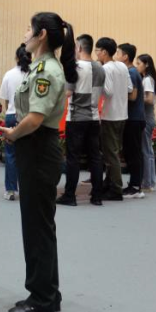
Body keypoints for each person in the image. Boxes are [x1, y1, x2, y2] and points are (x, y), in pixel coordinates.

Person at [0, 12, 75, 312]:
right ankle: (48, 293)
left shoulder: (46, 71)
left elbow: (34, 119)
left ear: (41, 34)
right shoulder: (42, 67)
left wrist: (12, 134)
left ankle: (42, 298)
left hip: (38, 148)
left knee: (37, 228)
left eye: (29, 28)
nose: (25, 33)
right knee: (40, 226)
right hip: (37, 148)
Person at [58, 34, 106, 207]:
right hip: (94, 118)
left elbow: (68, 93)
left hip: (76, 118)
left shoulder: (74, 67)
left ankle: (70, 196)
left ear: (78, 47)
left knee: (73, 158)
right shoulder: (100, 68)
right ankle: (97, 196)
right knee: (95, 157)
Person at [95, 37, 129, 202]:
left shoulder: (105, 69)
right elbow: (129, 88)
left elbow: (107, 92)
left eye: (97, 50)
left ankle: (116, 189)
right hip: (122, 114)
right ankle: (108, 184)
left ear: (104, 52)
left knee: (110, 154)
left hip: (110, 115)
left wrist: (97, 84)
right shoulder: (122, 66)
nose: (96, 53)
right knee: (114, 152)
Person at [0, 45, 30, 200]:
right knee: (29, 155)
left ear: (16, 58)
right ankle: (28, 189)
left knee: (11, 155)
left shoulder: (9, 75)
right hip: (29, 118)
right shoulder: (34, 74)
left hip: (11, 116)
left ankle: (10, 190)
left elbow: (6, 100)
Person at [117, 43, 146, 199]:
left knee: (133, 153)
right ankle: (134, 185)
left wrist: (117, 94)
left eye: (118, 53)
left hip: (134, 119)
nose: (116, 56)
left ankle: (135, 187)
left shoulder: (132, 73)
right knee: (130, 152)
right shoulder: (131, 72)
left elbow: (133, 96)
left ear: (125, 57)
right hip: (133, 118)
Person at [136, 53, 156, 192]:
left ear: (146, 65)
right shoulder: (149, 79)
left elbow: (150, 99)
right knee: (148, 151)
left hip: (146, 117)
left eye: (139, 63)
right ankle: (150, 181)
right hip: (149, 117)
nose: (137, 66)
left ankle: (147, 183)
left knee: (145, 151)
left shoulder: (147, 80)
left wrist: (136, 97)